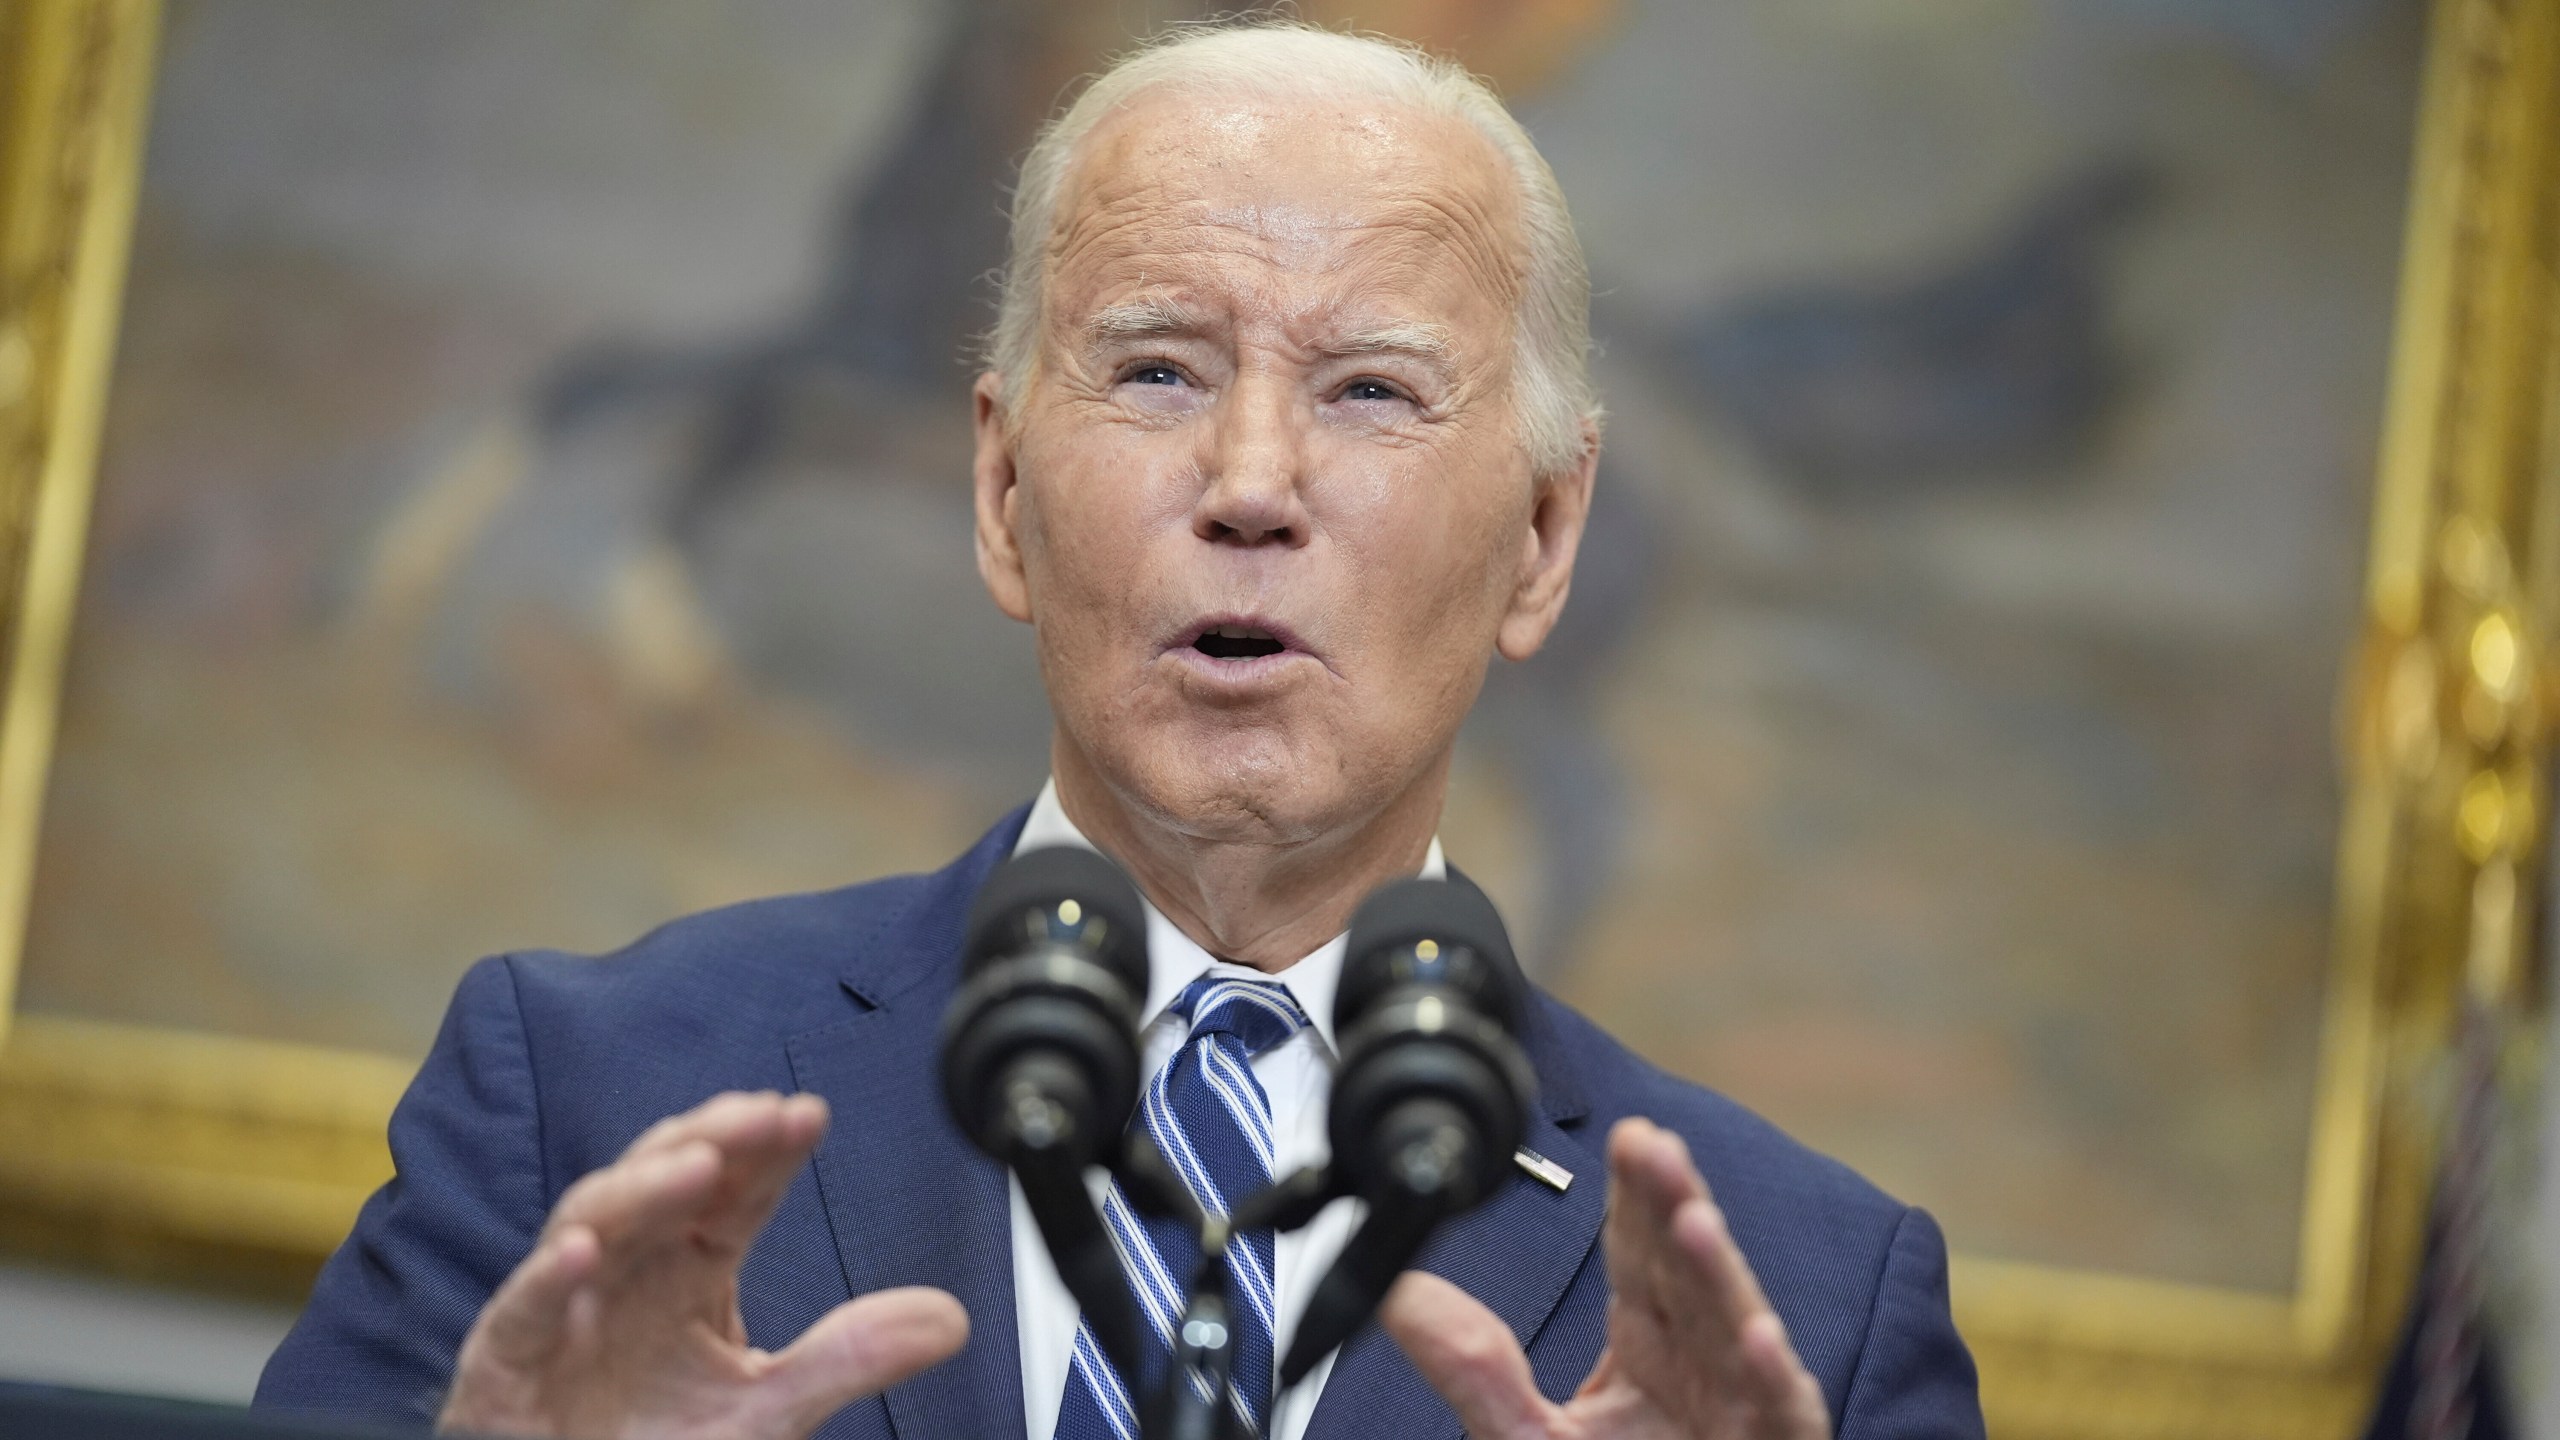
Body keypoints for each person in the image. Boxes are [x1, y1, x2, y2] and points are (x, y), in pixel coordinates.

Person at [254, 21, 1983, 1440]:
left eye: (1371, 390)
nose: (1248, 485)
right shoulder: (579, 1100)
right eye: (1157, 371)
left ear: (1543, 539)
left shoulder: (1813, 1305)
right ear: (1003, 493)